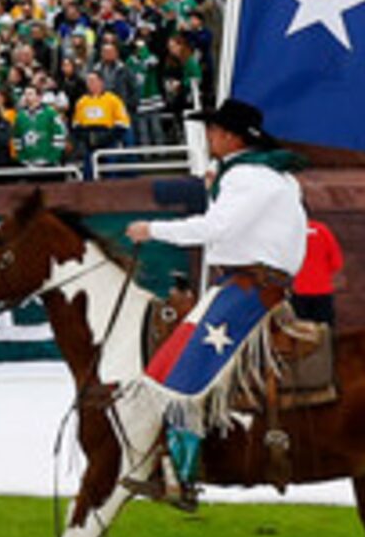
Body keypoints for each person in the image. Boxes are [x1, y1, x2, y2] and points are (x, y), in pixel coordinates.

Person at [115, 97, 307, 510]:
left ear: (229, 135)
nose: (208, 137)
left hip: (247, 288)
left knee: (183, 372)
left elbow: (216, 228)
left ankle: (181, 477)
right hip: (258, 283)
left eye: (213, 131)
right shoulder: (271, 176)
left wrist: (152, 229)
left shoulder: (249, 178)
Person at [294, 217, 346, 326]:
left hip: (299, 292)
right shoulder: (322, 230)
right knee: (325, 334)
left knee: (301, 334)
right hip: (322, 291)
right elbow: (337, 262)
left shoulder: (291, 233)